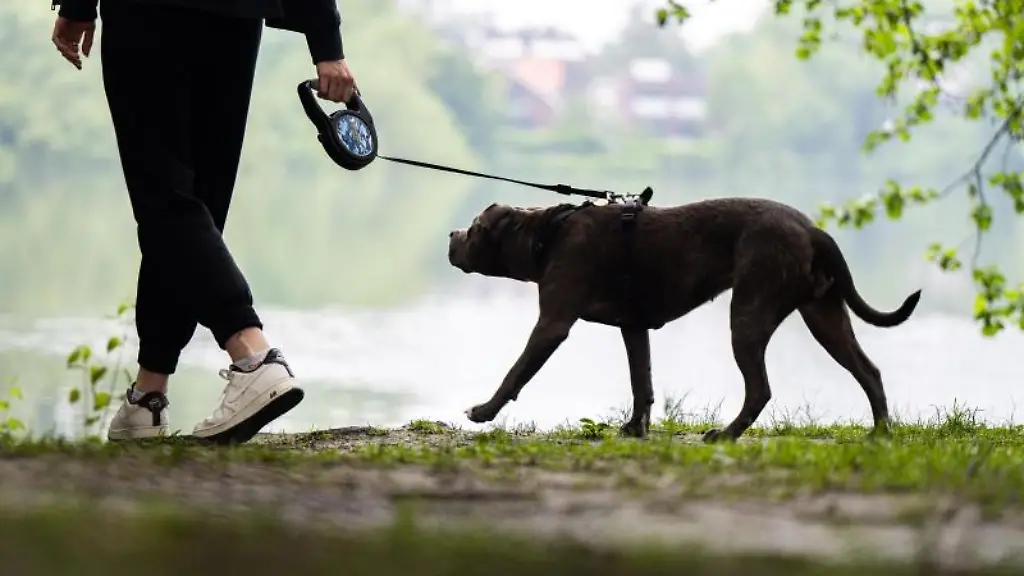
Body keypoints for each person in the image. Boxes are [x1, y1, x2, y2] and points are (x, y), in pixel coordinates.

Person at [49, 0, 357, 444]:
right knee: (195, 207)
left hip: (149, 15)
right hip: (237, 17)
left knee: (165, 201)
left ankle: (253, 355)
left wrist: (78, 4)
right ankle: (147, 396)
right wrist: (326, 40)